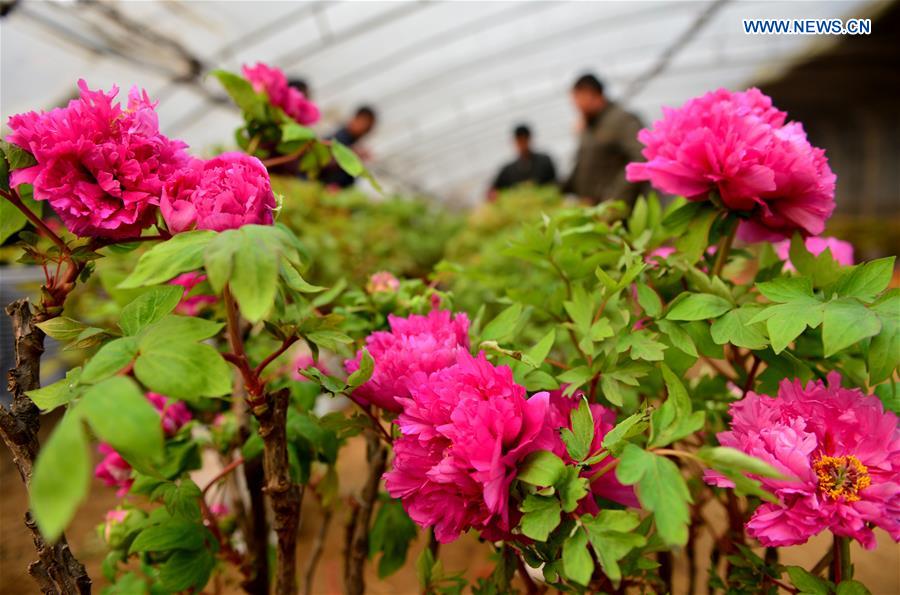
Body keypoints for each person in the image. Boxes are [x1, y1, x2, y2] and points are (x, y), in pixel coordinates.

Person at [563, 73, 647, 206]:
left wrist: (613, 200)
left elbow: (642, 156)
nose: (576, 107)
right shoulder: (590, 126)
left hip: (618, 213)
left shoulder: (622, 120)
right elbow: (582, 165)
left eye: (578, 100)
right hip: (594, 210)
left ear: (590, 94)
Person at [319, 105, 377, 188]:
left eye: (369, 126)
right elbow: (326, 160)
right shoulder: (340, 137)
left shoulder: (352, 140)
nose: (367, 129)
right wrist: (352, 153)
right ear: (356, 119)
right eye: (365, 123)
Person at [490, 124, 557, 192]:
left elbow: (555, 185)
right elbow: (492, 191)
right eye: (519, 141)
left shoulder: (545, 162)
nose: (522, 145)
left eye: (524, 140)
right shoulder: (507, 171)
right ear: (515, 142)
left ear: (529, 139)